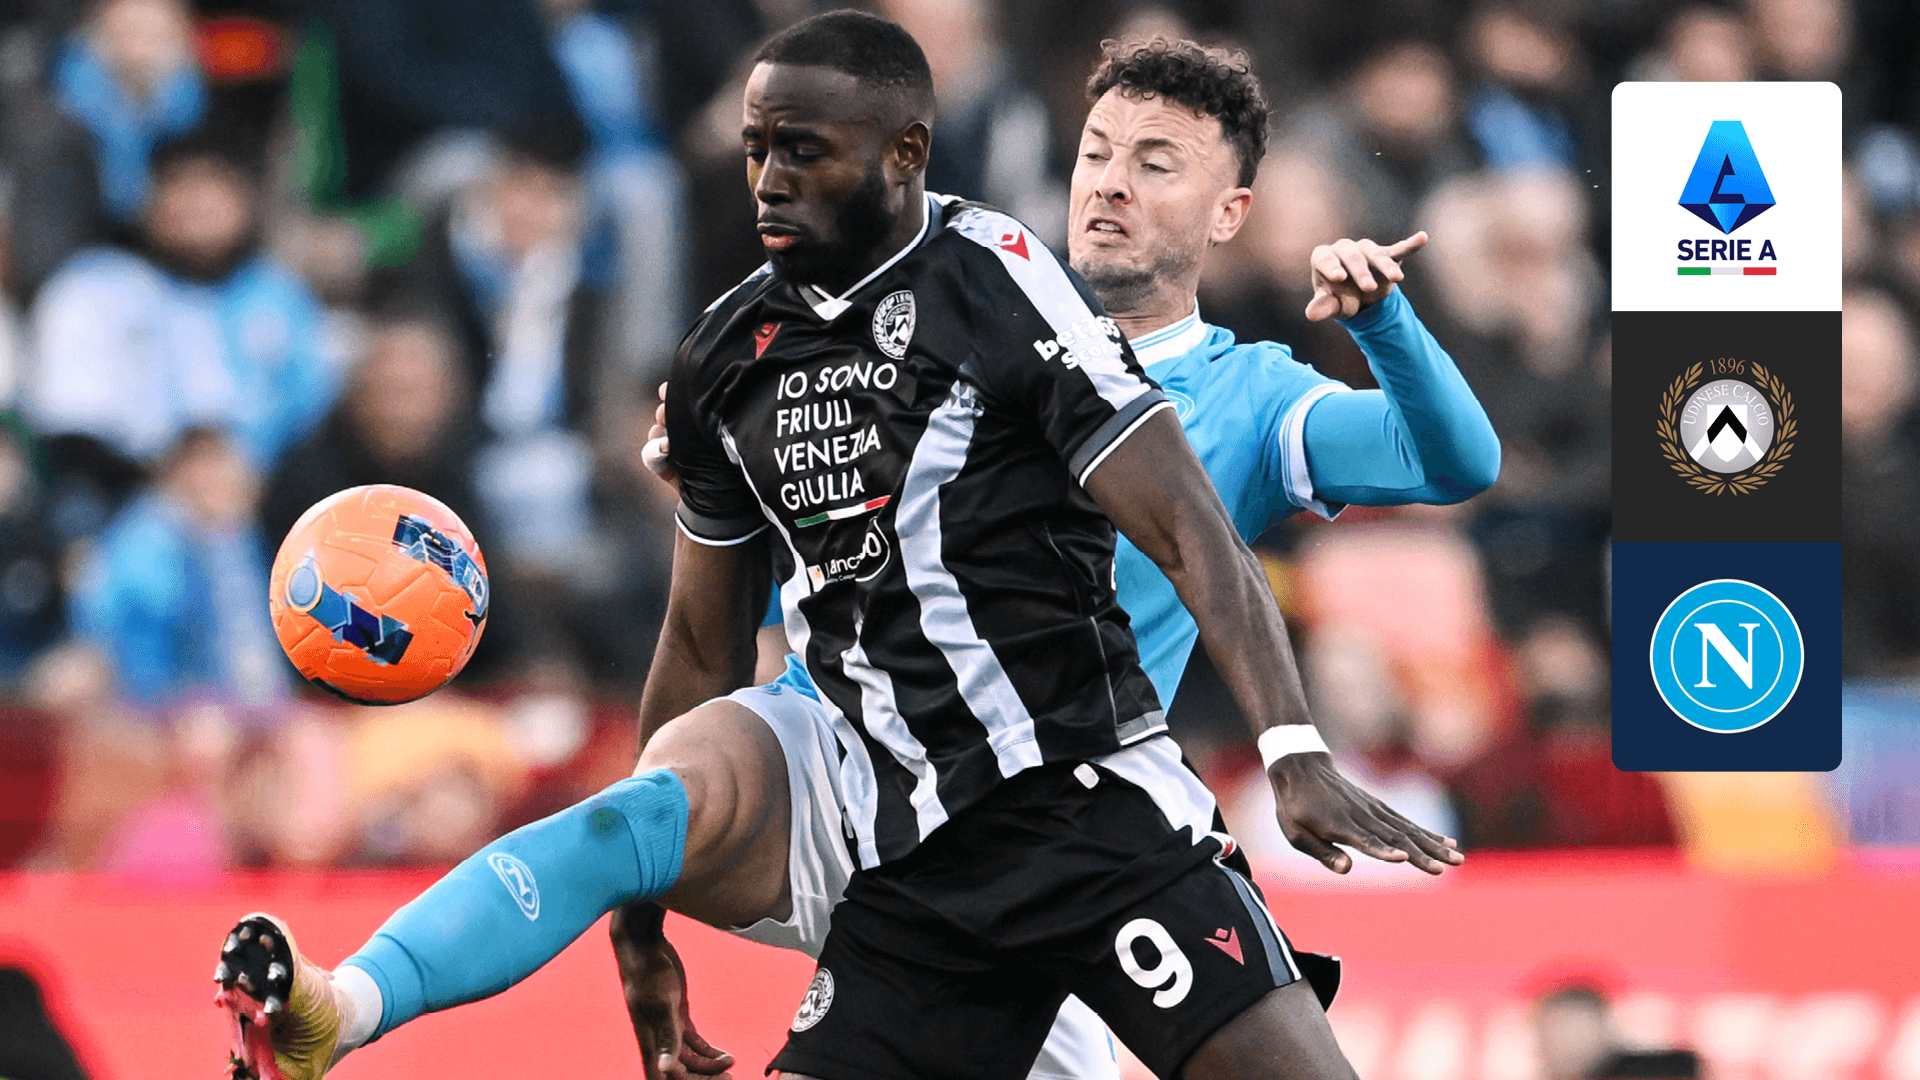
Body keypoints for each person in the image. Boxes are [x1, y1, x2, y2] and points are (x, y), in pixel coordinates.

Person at [214, 18, 1472, 1080]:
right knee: (646, 803)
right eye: (1096, 152)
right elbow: (703, 632)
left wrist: (1293, 745)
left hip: (1066, 789)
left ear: (1231, 211)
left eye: (1154, 164)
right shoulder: (742, 351)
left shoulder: (1116, 341)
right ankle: (346, 1006)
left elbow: (1421, 471)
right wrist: (643, 920)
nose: (1109, 184)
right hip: (858, 769)